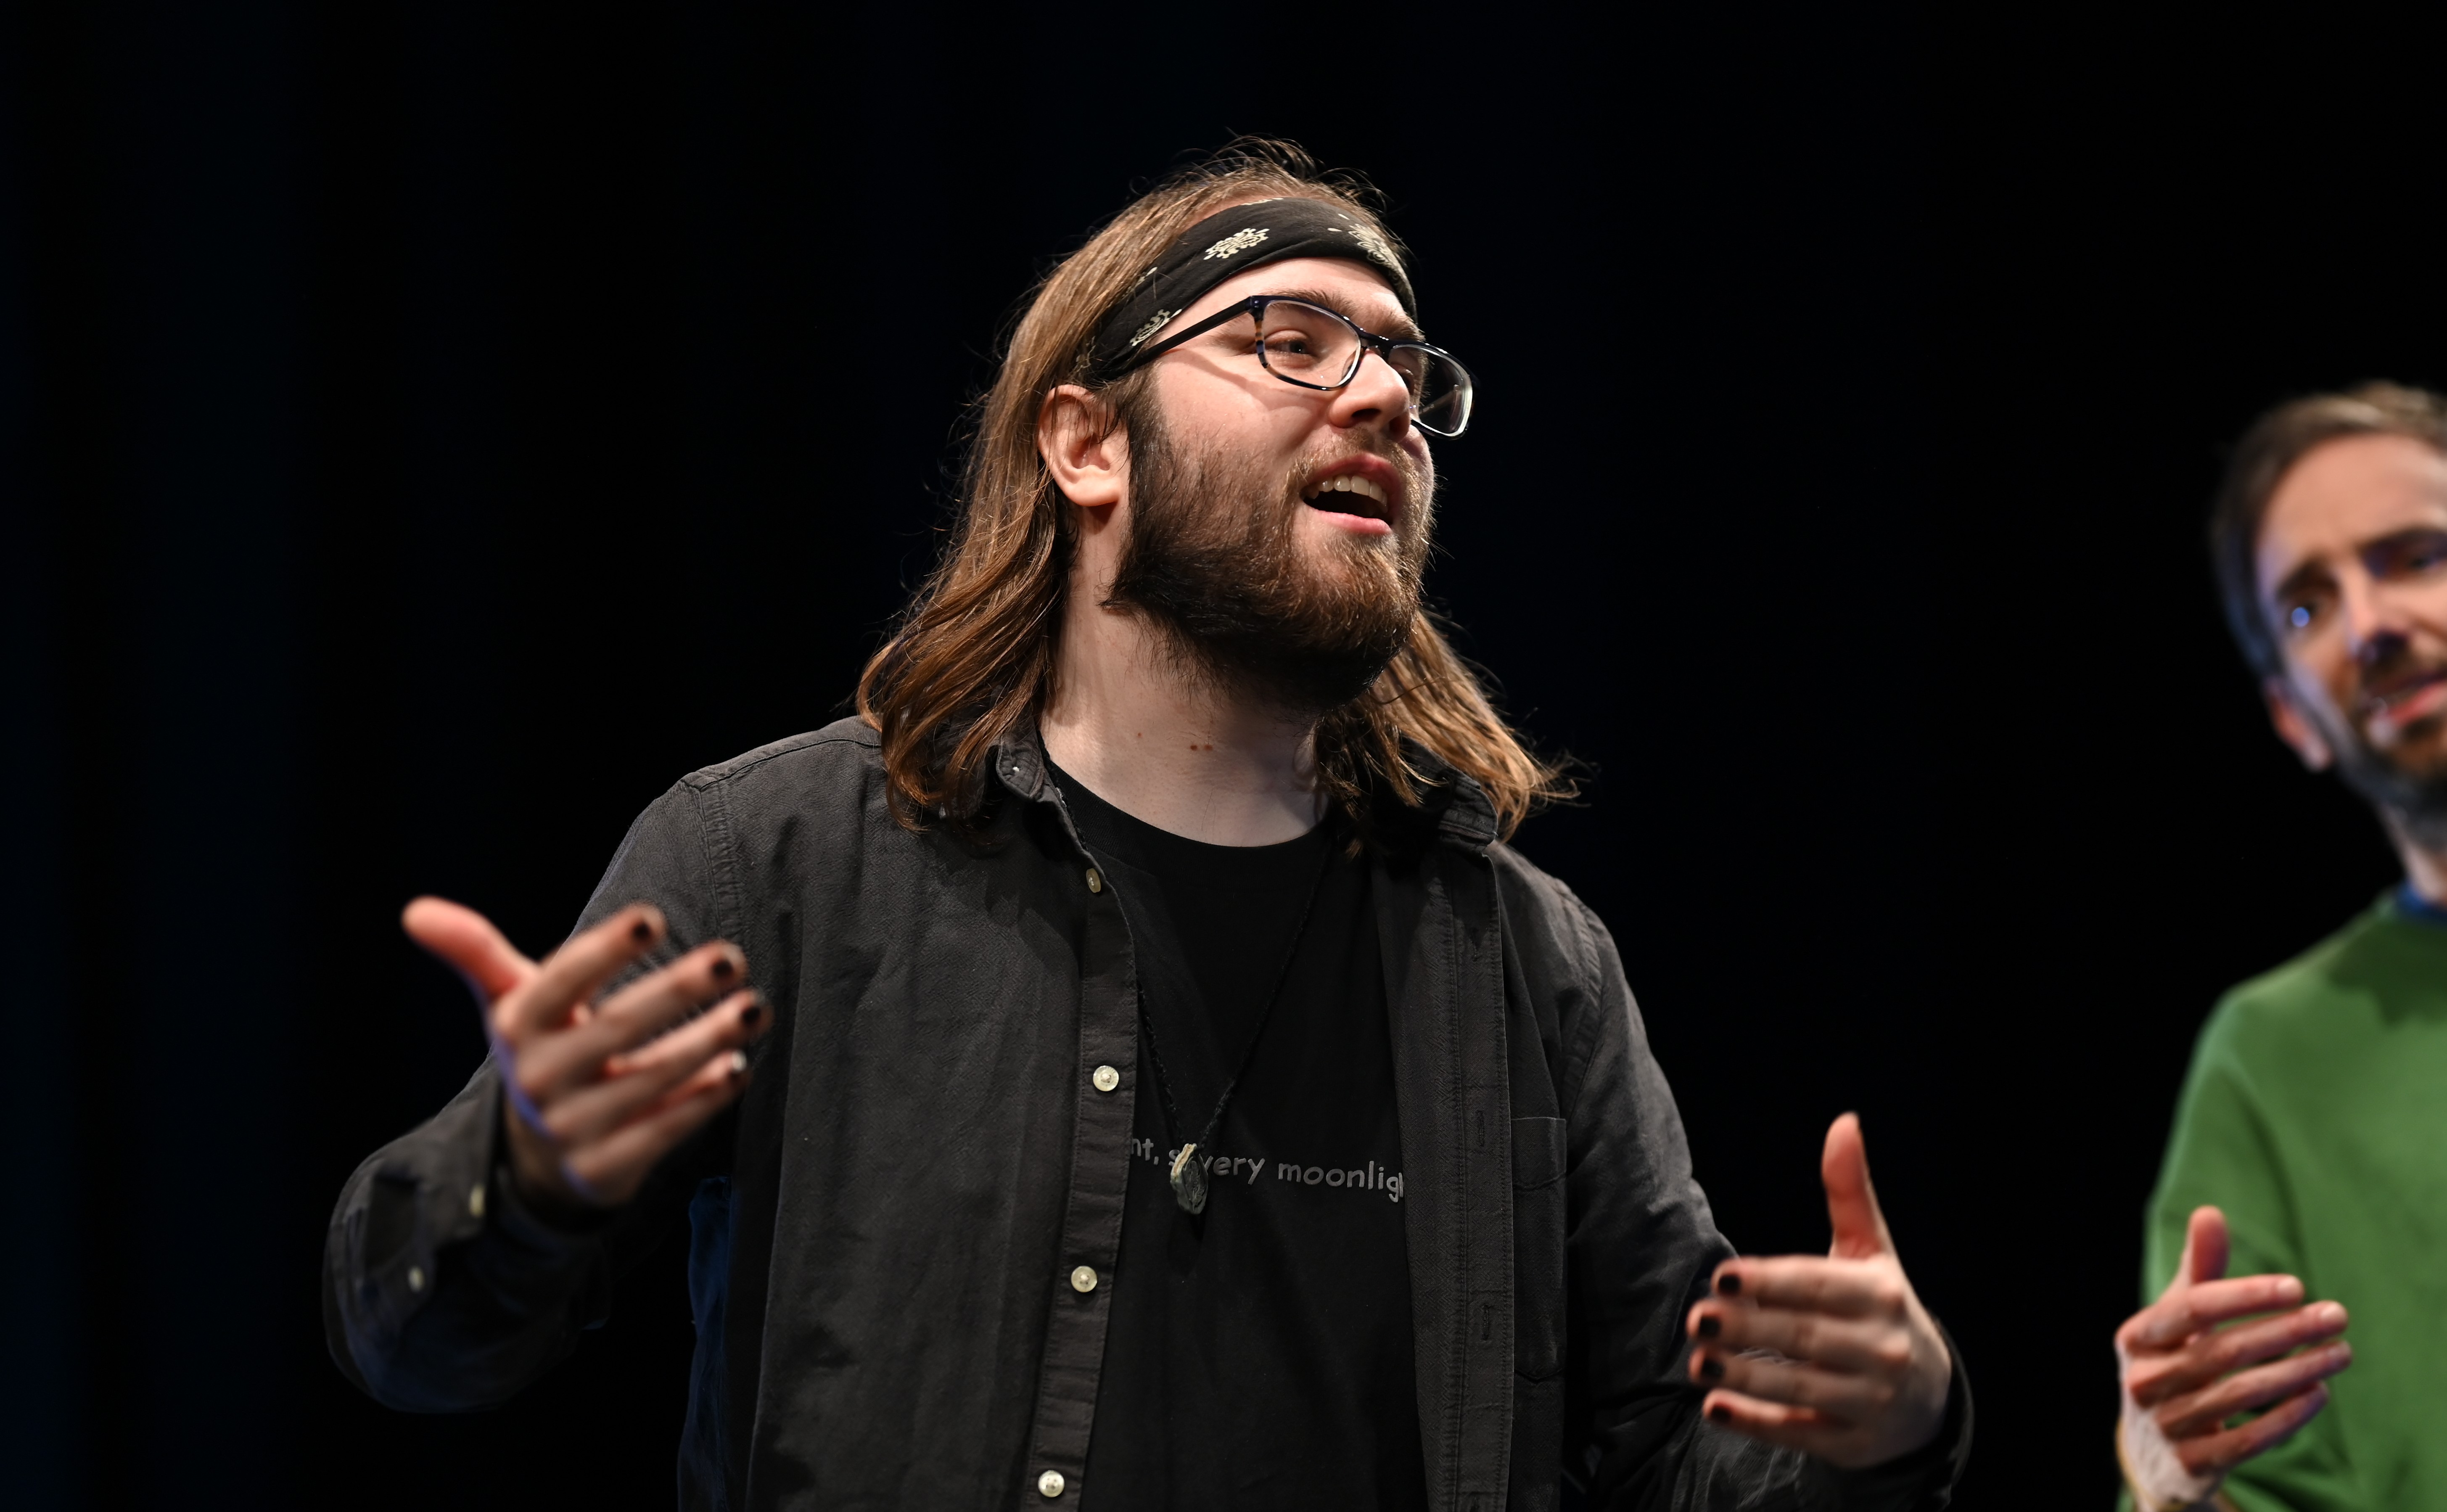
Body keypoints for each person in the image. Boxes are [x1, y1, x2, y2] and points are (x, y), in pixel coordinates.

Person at [325, 140, 1969, 1510]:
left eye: (1408, 368)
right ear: (1086, 442)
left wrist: (1890, 1428)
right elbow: (413, 1341)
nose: (1384, 400)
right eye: (1292, 340)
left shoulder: (1526, 966)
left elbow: (1676, 1456)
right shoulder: (782, 862)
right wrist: (522, 1178)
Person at [2114, 383, 2447, 1511]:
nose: (2369, 625)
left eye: (2415, 556)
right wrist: (2173, 1492)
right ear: (2291, 717)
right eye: (2307, 608)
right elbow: (2221, 1466)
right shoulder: (2271, 1057)